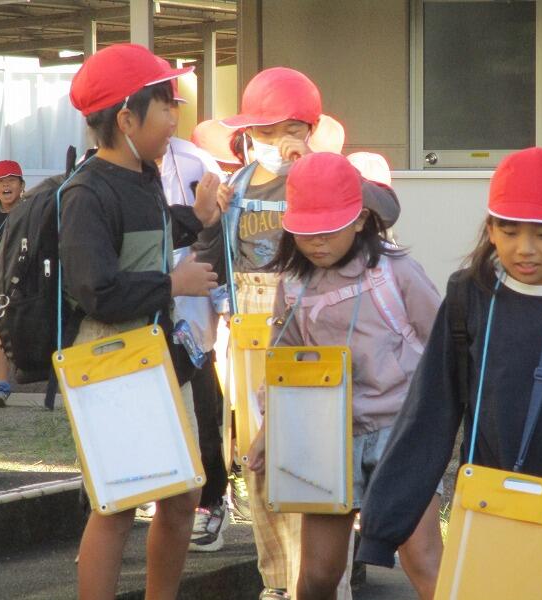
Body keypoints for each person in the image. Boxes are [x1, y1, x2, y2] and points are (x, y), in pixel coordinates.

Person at [357, 147, 542, 598]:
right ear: (490, 229)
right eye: (509, 231)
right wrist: (382, 526)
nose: (525, 248)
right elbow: (430, 414)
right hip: (494, 514)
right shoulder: (468, 296)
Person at [207, 66, 401, 600]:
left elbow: (385, 209)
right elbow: (217, 259)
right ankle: (276, 582)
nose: (274, 143)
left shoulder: (330, 174)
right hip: (246, 328)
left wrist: (317, 165)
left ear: (311, 129)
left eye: (286, 131)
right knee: (259, 462)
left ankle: (322, 584)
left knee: (313, 456)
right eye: (263, 132)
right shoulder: (235, 186)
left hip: (311, 320)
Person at [60, 43, 224, 600]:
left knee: (182, 495)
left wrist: (193, 218)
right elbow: (96, 289)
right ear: (126, 120)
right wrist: (172, 284)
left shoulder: (144, 175)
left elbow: (145, 240)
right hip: (110, 356)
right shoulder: (87, 191)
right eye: (165, 106)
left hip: (155, 353)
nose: (176, 117)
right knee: (119, 503)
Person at [253, 152, 443, 600]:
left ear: (359, 220)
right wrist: (267, 431)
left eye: (329, 230)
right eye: (306, 233)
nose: (317, 243)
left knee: (422, 557)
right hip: (327, 436)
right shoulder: (293, 285)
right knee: (319, 573)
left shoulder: (396, 273)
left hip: (401, 429)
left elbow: (444, 345)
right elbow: (285, 365)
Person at [158, 71, 231, 553]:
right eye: (162, 107)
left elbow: (219, 231)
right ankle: (162, 498)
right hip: (140, 312)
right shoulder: (103, 170)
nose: (170, 117)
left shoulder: (196, 161)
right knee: (159, 409)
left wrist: (220, 299)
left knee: (205, 409)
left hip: (195, 313)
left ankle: (213, 500)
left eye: (174, 107)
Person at [0, 159, 24, 407]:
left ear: (21, 185)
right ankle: (2, 384)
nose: (6, 185)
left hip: (21, 279)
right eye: (1, 181)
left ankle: (3, 384)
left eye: (12, 180)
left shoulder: (30, 210)